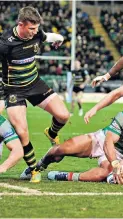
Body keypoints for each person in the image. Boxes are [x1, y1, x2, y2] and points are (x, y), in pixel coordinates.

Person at [0, 6, 70, 183]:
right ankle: (33, 170)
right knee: (23, 132)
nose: (35, 32)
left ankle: (52, 133)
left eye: (37, 28)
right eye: (31, 28)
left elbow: (50, 37)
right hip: (14, 90)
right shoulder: (5, 43)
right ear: (20, 24)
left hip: (35, 83)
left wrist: (59, 39)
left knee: (63, 115)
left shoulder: (38, 34)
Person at [34, 100, 123, 183]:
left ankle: (64, 175)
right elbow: (108, 141)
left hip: (120, 154)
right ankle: (37, 166)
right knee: (61, 149)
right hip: (100, 140)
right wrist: (116, 164)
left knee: (103, 174)